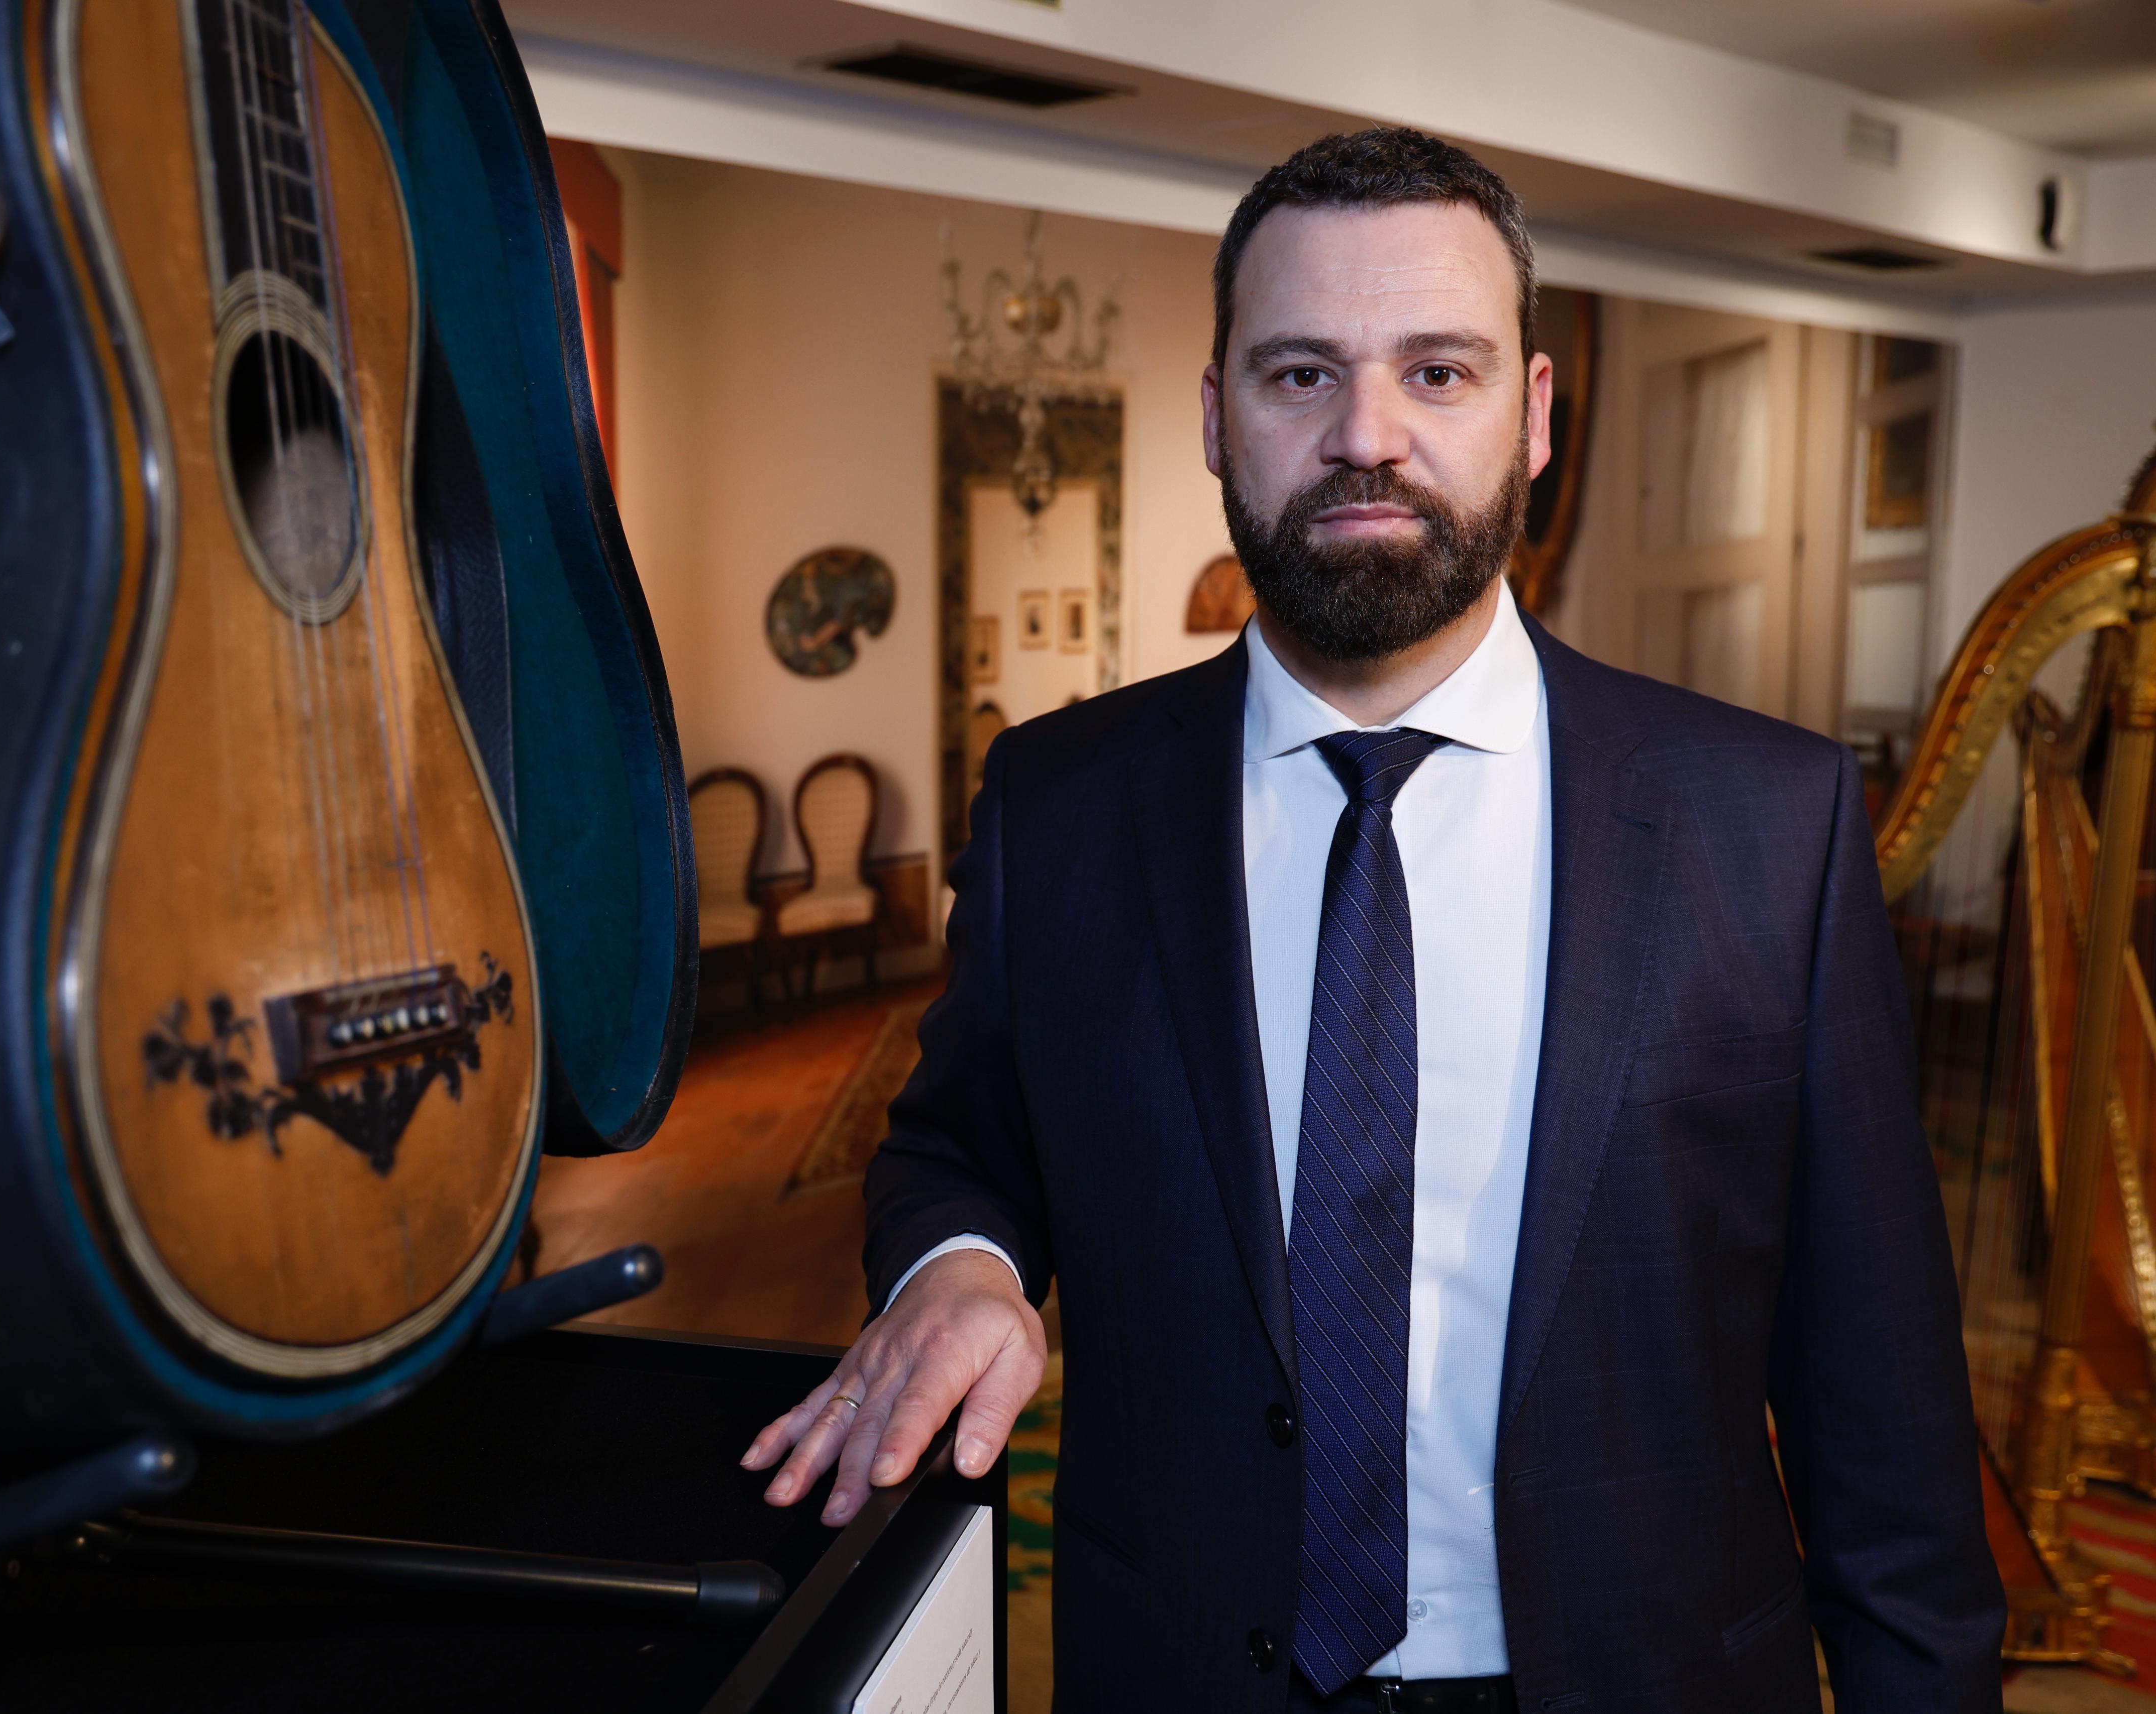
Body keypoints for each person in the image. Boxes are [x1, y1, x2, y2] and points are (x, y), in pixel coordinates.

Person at [741, 128, 2003, 1711]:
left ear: (1534, 413)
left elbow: (1881, 1411)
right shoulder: (1060, 806)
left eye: (1438, 372)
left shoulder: (1769, 824)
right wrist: (963, 1261)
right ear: (1218, 416)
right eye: (1300, 375)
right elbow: (960, 1143)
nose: (1366, 437)